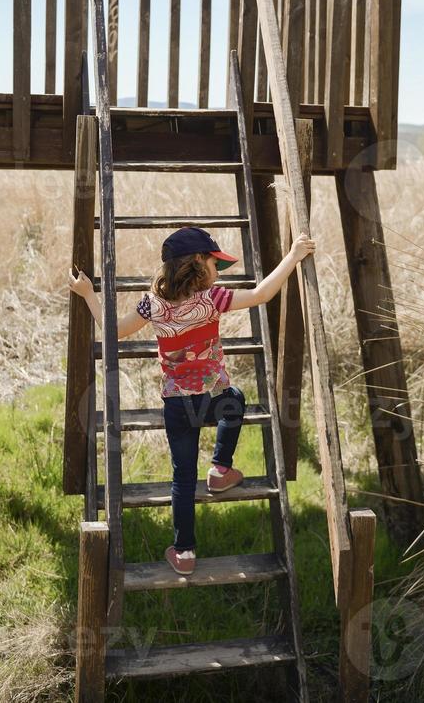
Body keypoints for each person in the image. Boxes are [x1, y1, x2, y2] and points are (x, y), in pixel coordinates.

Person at [68, 225, 316, 575]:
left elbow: (113, 330)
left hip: (176, 406)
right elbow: (262, 294)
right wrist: (292, 256)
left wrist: (87, 293)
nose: (218, 272)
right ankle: (220, 468)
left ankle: (184, 552)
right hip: (215, 398)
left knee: (182, 478)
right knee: (237, 399)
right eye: (216, 264)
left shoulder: (152, 304)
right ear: (199, 263)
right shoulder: (213, 299)